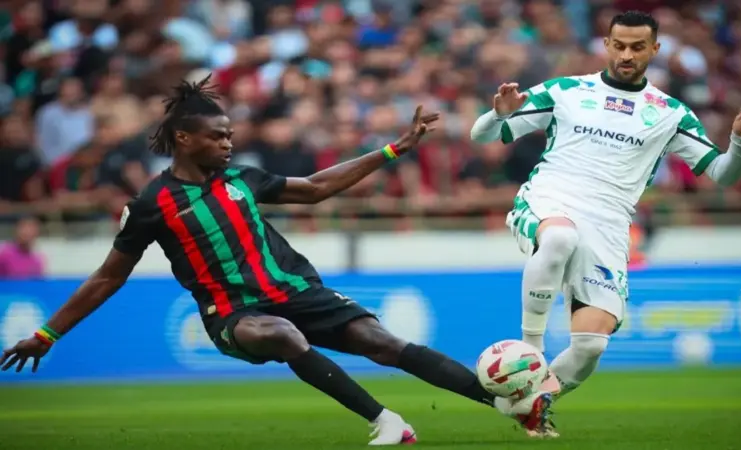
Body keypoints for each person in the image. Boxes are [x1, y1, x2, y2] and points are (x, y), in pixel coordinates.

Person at [1, 76, 547, 445]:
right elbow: (107, 277)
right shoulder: (150, 205)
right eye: (217, 137)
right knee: (282, 335)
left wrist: (394, 149)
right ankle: (387, 423)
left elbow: (315, 188)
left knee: (383, 343)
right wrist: (47, 334)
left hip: (296, 289)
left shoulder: (243, 179)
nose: (227, 144)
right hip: (233, 313)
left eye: (230, 136)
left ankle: (505, 405)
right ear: (184, 138)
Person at [470, 10, 741, 438]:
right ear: (607, 45)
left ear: (654, 49)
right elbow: (482, 136)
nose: (627, 55)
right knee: (559, 237)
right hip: (550, 199)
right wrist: (496, 116)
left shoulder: (671, 113)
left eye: (637, 47)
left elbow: (722, 174)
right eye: (620, 45)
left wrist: (739, 142)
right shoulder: (566, 91)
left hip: (609, 226)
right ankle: (531, 353)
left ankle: (526, 402)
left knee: (590, 346)